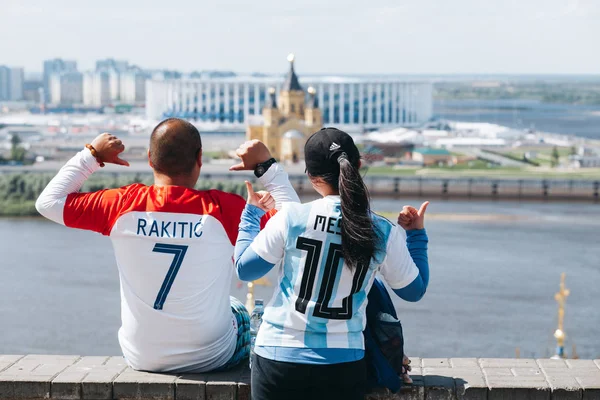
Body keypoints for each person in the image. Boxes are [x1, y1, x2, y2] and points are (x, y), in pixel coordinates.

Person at [35, 118, 299, 373]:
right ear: (199, 160)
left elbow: (47, 203)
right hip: (212, 357)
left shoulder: (122, 205)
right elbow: (294, 222)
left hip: (141, 357)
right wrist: (266, 166)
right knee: (241, 308)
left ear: (150, 158)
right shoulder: (223, 209)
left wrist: (91, 155)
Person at [234, 127, 430, 400]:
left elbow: (245, 268)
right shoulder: (383, 230)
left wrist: (251, 216)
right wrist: (416, 236)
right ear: (358, 166)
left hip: (278, 360)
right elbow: (413, 290)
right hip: (343, 365)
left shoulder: (292, 218)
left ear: (311, 177)